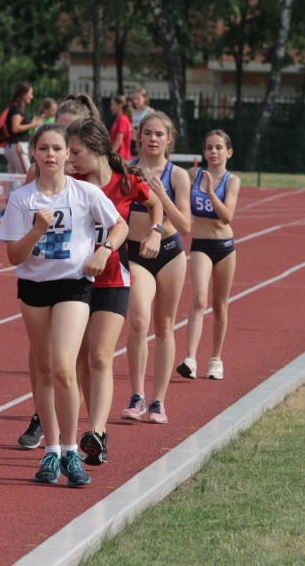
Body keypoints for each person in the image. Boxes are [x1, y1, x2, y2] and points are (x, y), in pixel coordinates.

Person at [0, 123, 127, 487]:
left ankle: (71, 451)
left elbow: (119, 226)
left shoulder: (85, 192)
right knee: (43, 368)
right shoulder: (23, 199)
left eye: (57, 148)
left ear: (68, 154)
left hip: (74, 285)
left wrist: (104, 250)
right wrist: (36, 230)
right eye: (44, 149)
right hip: (34, 288)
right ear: (34, 154)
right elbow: (12, 256)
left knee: (63, 367)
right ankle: (51, 451)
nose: (50, 155)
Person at [67, 117, 162, 465]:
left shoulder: (129, 180)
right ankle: (81, 431)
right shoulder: (71, 183)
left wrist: (155, 231)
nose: (70, 158)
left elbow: (154, 205)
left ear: (95, 149)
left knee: (100, 356)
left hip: (113, 278)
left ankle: (97, 432)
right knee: (79, 359)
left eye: (75, 151)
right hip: (75, 280)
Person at [16, 92, 101, 450]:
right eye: (48, 141)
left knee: (78, 357)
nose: (55, 147)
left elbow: (117, 220)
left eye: (65, 138)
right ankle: (44, 420)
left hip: (84, 273)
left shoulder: (93, 174)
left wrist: (106, 250)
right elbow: (20, 223)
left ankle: (84, 433)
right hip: (41, 275)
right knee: (44, 356)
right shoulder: (33, 177)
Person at [123, 111, 191, 424]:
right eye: (147, 133)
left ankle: (158, 401)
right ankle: (136, 395)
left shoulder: (177, 176)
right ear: (139, 137)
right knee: (138, 320)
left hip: (170, 254)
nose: (153, 139)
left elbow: (185, 225)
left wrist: (163, 196)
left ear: (168, 139)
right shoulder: (127, 170)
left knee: (164, 326)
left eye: (159, 134)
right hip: (136, 254)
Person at [176, 130, 240, 381]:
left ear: (228, 152)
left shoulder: (232, 180)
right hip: (201, 244)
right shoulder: (193, 175)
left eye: (218, 148)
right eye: (209, 148)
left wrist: (212, 192)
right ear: (203, 152)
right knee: (199, 299)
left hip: (224, 246)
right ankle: (190, 358)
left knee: (220, 304)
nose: (213, 152)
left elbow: (227, 216)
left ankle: (216, 359)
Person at [3, 81, 43, 175]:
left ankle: (11, 191)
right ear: (23, 94)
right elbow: (15, 128)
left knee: (15, 180)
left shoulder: (16, 108)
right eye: (30, 94)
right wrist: (34, 124)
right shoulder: (16, 108)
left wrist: (31, 122)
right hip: (18, 146)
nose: (32, 97)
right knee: (29, 176)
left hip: (13, 146)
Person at [109, 94, 133, 162]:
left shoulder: (122, 119)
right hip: (119, 157)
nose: (111, 107)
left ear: (120, 105)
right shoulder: (119, 119)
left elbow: (118, 142)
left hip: (122, 158)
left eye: (113, 105)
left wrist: (109, 155)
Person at [130, 88, 153, 154]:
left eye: (138, 98)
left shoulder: (150, 112)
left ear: (144, 98)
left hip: (143, 142)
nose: (135, 101)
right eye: (134, 98)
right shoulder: (130, 111)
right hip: (131, 141)